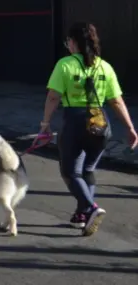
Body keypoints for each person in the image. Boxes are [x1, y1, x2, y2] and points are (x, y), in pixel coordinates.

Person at [39, 22, 137, 236]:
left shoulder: (65, 64)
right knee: (87, 170)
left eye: (68, 41)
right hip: (100, 123)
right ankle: (82, 214)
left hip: (74, 121)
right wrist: (130, 128)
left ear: (73, 42)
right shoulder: (105, 67)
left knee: (69, 171)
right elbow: (117, 101)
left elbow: (53, 96)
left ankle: (91, 207)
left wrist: (45, 125)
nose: (68, 45)